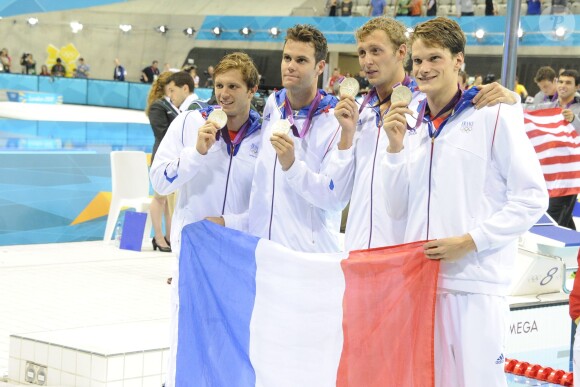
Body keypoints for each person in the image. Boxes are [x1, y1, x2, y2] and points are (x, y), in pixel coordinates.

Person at [381, 17, 548, 386]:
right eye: (418, 60)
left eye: (434, 58)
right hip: (421, 284)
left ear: (458, 61)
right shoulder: (411, 126)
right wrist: (393, 150)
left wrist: (471, 241)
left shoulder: (494, 114)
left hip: (475, 284)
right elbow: (396, 210)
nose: (423, 69)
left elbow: (533, 197)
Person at [329, 16, 518, 252]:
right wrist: (346, 137)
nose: (367, 61)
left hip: (407, 250)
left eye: (376, 51)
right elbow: (337, 192)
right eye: (362, 53)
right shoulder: (359, 113)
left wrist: (514, 101)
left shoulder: (424, 108)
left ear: (401, 52)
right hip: (357, 247)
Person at [150, 52, 262, 387]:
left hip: (240, 258)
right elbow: (158, 180)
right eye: (219, 86)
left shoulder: (265, 136)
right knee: (188, 344)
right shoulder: (189, 123)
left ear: (252, 89)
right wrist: (196, 153)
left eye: (234, 86)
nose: (224, 94)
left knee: (237, 346)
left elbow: (266, 206)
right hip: (194, 260)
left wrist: (230, 223)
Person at [219, 24, 346, 253]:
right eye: (287, 58)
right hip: (264, 251)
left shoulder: (335, 120)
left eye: (301, 60)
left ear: (320, 67)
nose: (290, 66)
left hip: (305, 257)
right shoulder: (273, 104)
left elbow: (334, 198)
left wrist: (292, 166)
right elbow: (265, 187)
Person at [146, 72, 179, 253]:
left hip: (173, 159)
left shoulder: (171, 105)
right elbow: (161, 133)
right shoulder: (158, 106)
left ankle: (169, 235)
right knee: (159, 198)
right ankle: (158, 236)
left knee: (168, 199)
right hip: (162, 157)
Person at [544, 69, 580, 229]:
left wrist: (574, 120)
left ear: (577, 86)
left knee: (555, 215)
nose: (563, 85)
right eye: (561, 81)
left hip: (569, 174)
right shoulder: (547, 106)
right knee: (559, 217)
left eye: (568, 82)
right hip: (547, 171)